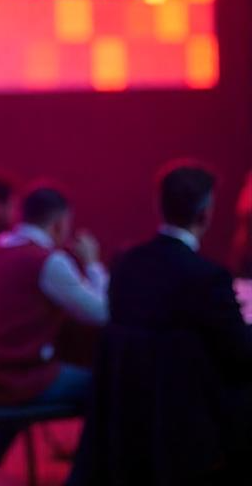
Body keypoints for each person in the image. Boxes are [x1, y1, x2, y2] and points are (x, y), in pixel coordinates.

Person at [94, 162, 252, 482]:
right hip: (196, 425)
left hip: (131, 423)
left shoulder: (126, 263)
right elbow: (242, 355)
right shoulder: (206, 278)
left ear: (159, 205)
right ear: (206, 214)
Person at [0, 185, 108, 486]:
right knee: (109, 384)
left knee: (32, 367)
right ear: (60, 222)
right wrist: (93, 264)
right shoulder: (46, 261)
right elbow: (102, 313)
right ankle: (82, 478)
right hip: (12, 382)